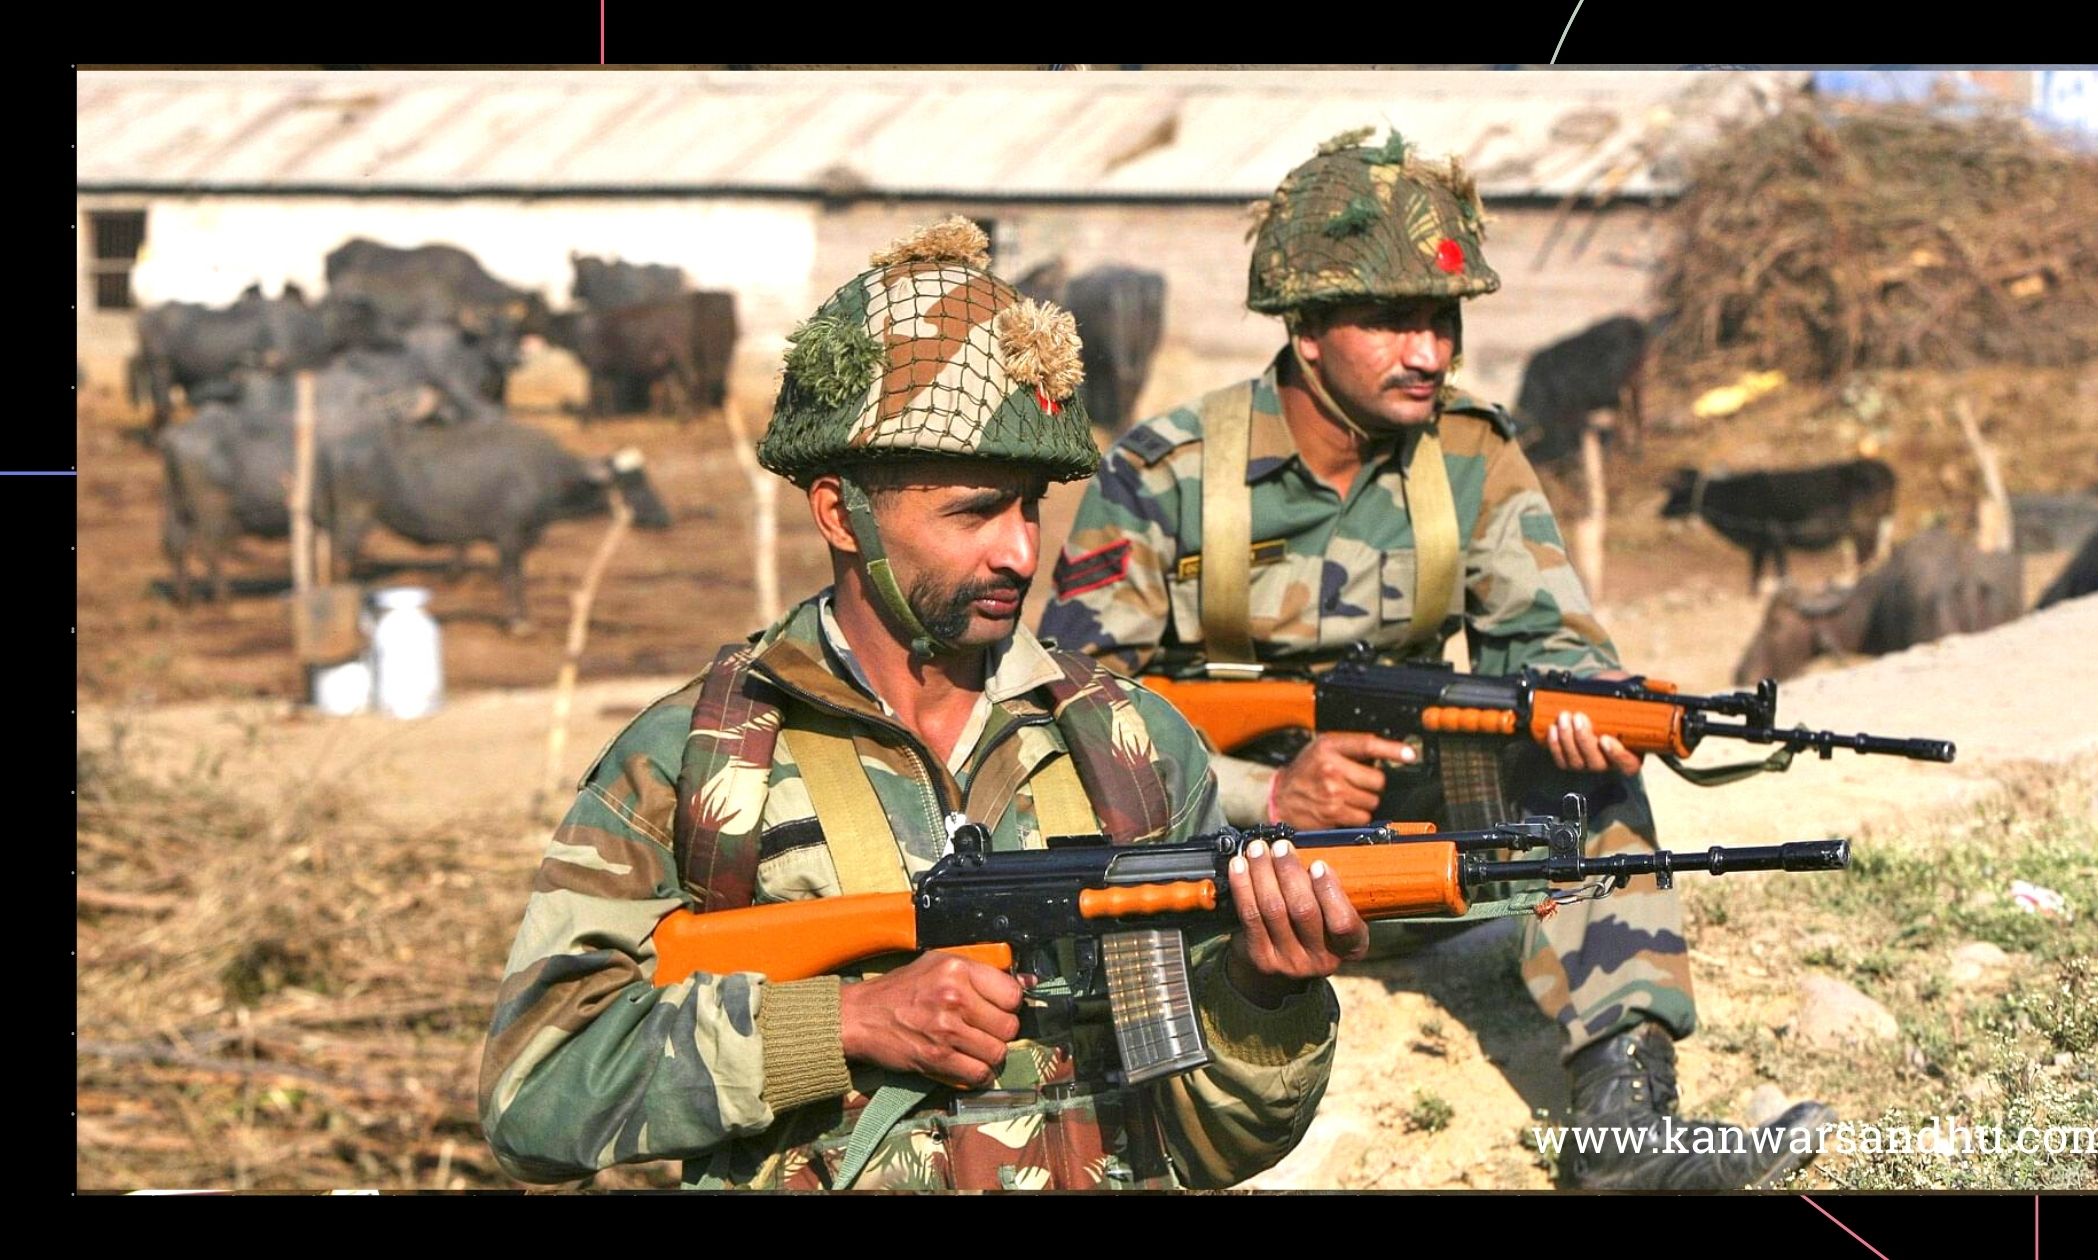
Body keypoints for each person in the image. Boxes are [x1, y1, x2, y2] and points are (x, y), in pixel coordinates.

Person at [478, 218, 1367, 1191]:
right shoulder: (696, 761)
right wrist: (848, 1024)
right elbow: (534, 1092)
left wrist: (1261, 995)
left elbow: (1211, 1146)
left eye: (1028, 506)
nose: (1022, 553)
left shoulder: (1130, 743)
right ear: (838, 512)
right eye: (973, 512)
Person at [1039, 130, 1833, 1189]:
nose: (1428, 352)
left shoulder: (1468, 452)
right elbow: (1071, 712)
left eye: (1442, 320)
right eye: (1391, 319)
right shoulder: (1161, 473)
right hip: (1226, 869)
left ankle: (1625, 1121)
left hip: (1416, 850)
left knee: (1586, 772)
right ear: (1305, 327)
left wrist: (1575, 699)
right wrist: (1264, 789)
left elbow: (1547, 629)